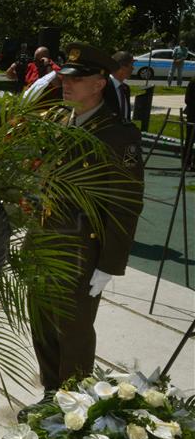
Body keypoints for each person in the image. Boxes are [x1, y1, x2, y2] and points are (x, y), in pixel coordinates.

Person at [28, 43, 144, 398]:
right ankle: (51, 395)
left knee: (73, 329)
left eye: (76, 79)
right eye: (65, 76)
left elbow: (126, 204)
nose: (66, 83)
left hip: (81, 248)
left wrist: (109, 264)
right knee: (43, 322)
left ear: (99, 83)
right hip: (44, 240)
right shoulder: (61, 120)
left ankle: (74, 403)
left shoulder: (117, 135)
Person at [110, 51, 134, 122]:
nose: (133, 68)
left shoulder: (125, 88)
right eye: (131, 65)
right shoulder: (104, 86)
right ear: (122, 67)